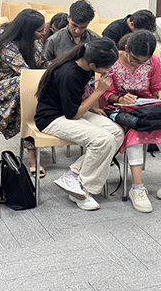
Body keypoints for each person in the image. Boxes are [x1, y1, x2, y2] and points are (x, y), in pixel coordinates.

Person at [35, 38, 124, 211]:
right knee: (103, 140)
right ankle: (83, 189)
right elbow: (73, 114)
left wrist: (93, 106)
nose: (109, 70)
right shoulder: (69, 73)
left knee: (117, 133)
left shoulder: (85, 65)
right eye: (106, 67)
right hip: (52, 118)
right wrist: (99, 92)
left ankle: (73, 175)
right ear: (92, 65)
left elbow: (85, 93)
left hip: (72, 111)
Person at [102, 31, 161, 213]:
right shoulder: (112, 62)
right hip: (121, 109)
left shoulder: (153, 61)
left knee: (160, 128)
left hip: (146, 107)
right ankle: (137, 187)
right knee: (135, 130)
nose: (139, 65)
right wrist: (119, 98)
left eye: (143, 62)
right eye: (135, 60)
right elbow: (105, 94)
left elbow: (155, 88)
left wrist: (160, 94)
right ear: (126, 49)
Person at [0, 9, 48, 178]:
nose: (43, 33)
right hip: (1, 87)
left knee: (32, 88)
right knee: (28, 88)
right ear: (27, 31)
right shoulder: (7, 44)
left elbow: (42, 65)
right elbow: (25, 72)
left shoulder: (37, 42)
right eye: (39, 30)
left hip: (27, 84)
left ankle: (35, 143)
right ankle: (33, 154)